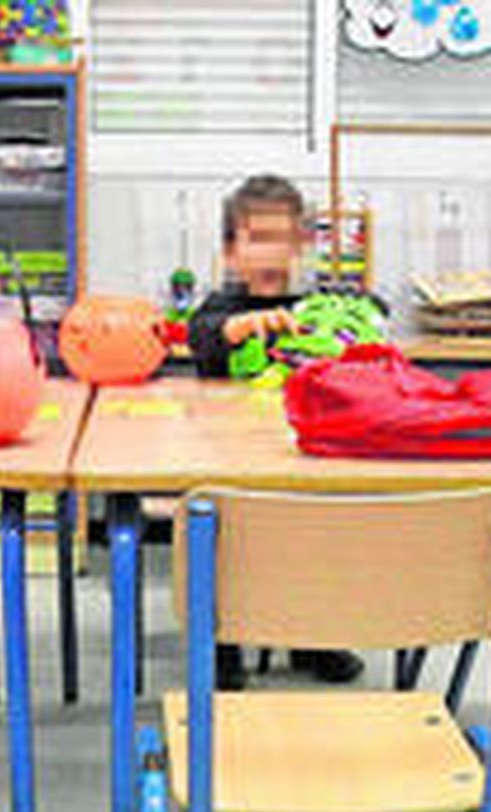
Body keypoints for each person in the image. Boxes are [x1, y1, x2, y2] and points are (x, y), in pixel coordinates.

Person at [188, 175, 367, 689]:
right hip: (225, 463)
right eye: (257, 239)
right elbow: (203, 335)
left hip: (300, 456)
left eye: (283, 241)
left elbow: (359, 320)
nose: (271, 254)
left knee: (313, 542)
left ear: (302, 247)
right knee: (224, 549)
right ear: (230, 250)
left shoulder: (312, 306)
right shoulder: (220, 307)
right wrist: (242, 328)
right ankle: (221, 644)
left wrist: (354, 322)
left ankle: (312, 638)